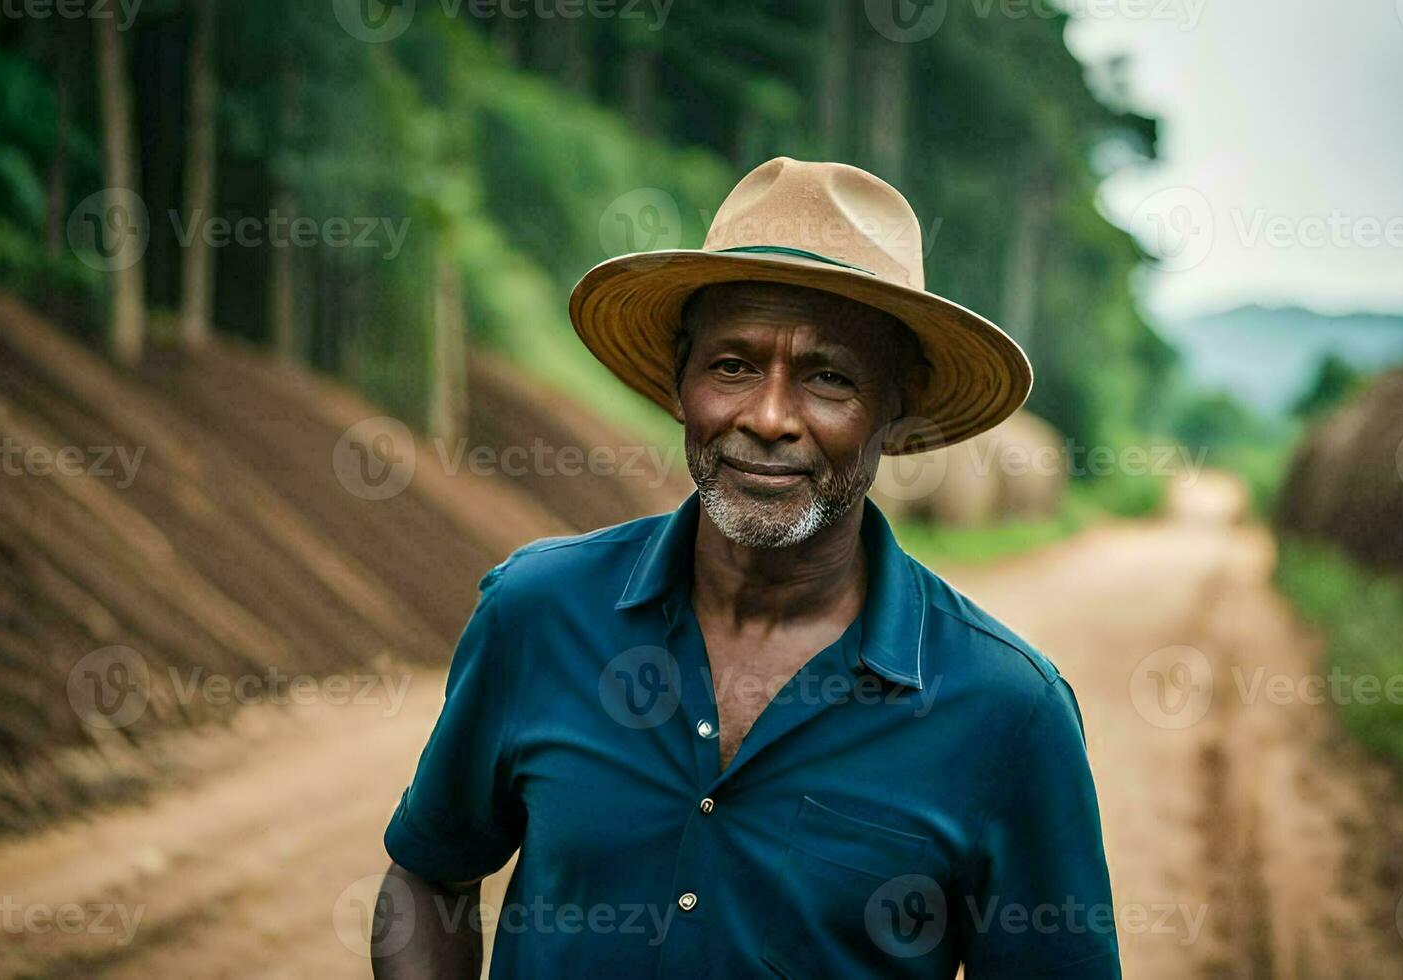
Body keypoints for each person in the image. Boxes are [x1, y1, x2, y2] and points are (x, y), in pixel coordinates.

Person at [372, 157, 1119, 978]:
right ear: (679, 381)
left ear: (895, 409)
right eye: (732, 366)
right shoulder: (538, 611)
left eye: (828, 378)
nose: (767, 418)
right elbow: (429, 875)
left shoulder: (1007, 712)